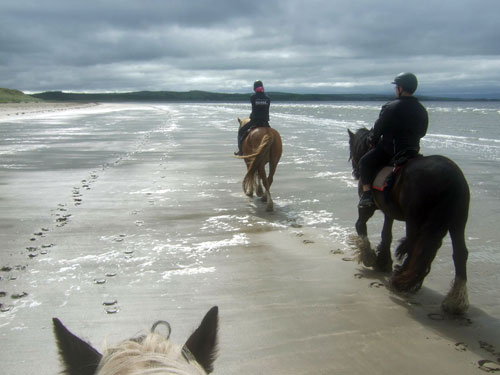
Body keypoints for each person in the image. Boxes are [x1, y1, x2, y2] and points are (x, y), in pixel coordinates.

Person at [358, 72, 429, 208]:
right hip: (413, 151)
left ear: (401, 88)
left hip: (391, 150)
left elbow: (377, 130)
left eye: (396, 87)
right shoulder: (421, 109)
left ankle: (366, 195)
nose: (396, 89)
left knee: (364, 162)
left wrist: (372, 140)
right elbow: (422, 133)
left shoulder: (390, 107)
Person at [235, 80, 271, 156]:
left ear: (254, 88)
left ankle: (241, 151)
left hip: (255, 121)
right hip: (265, 122)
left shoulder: (253, 97)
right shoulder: (268, 98)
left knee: (241, 131)